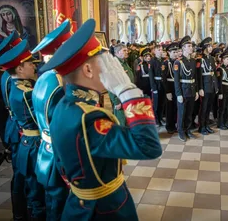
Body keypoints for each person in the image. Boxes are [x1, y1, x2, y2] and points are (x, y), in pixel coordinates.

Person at [38, 19, 162, 220]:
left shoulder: (65, 105)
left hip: (78, 204)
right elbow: (149, 147)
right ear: (87, 70)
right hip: (105, 209)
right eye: (104, 62)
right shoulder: (89, 118)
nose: (112, 67)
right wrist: (128, 91)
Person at [0, 40, 45, 220]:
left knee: (25, 181)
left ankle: (21, 215)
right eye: (30, 63)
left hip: (22, 134)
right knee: (34, 187)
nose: (34, 66)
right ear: (20, 68)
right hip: (31, 142)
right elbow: (41, 121)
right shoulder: (25, 91)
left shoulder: (14, 80)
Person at [30, 20, 71, 221]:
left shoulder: (45, 77)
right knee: (58, 206)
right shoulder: (58, 83)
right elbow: (61, 127)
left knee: (52, 201)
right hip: (56, 156)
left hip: (45, 150)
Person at [0, 32, 28, 220]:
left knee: (21, 174)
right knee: (21, 175)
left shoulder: (6, 74)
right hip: (18, 128)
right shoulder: (9, 77)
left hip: (14, 124)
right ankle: (20, 214)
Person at [174, 36, 199, 141]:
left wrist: (197, 91)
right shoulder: (178, 62)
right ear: (183, 48)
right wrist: (178, 94)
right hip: (183, 91)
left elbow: (195, 77)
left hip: (192, 90)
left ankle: (188, 130)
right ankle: (181, 132)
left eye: (191, 46)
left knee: (189, 113)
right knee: (182, 113)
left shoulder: (193, 61)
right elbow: (176, 80)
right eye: (188, 46)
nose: (191, 48)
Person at [109, 44, 134, 125]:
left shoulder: (124, 63)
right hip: (120, 98)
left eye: (127, 50)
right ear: (117, 52)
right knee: (122, 122)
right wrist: (116, 101)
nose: (127, 52)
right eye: (124, 50)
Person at [197, 37, 217, 135]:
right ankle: (202, 126)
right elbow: (199, 75)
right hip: (205, 86)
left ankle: (206, 125)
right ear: (204, 47)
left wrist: (216, 87)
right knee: (203, 108)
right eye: (208, 46)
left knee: (209, 107)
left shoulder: (212, 59)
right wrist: (200, 88)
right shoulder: (200, 60)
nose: (210, 48)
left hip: (211, 86)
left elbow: (214, 74)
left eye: (211, 46)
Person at [162, 42, 179, 133]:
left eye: (176, 52)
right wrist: (167, 92)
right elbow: (164, 79)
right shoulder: (166, 63)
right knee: (170, 108)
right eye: (173, 52)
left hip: (177, 87)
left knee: (176, 107)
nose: (175, 54)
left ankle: (175, 124)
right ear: (168, 53)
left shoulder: (178, 62)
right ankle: (169, 126)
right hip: (170, 87)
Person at [149, 44, 165, 126]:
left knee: (162, 103)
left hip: (162, 84)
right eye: (159, 50)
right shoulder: (152, 61)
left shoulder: (163, 60)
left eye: (161, 50)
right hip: (156, 84)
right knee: (156, 104)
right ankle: (156, 119)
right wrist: (153, 87)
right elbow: (151, 75)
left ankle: (160, 117)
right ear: (154, 51)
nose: (160, 51)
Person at [216, 51, 228, 130]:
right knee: (222, 108)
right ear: (222, 60)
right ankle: (220, 123)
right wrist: (220, 92)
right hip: (223, 90)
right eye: (227, 59)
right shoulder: (220, 69)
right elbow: (219, 82)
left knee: (227, 107)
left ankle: (226, 122)